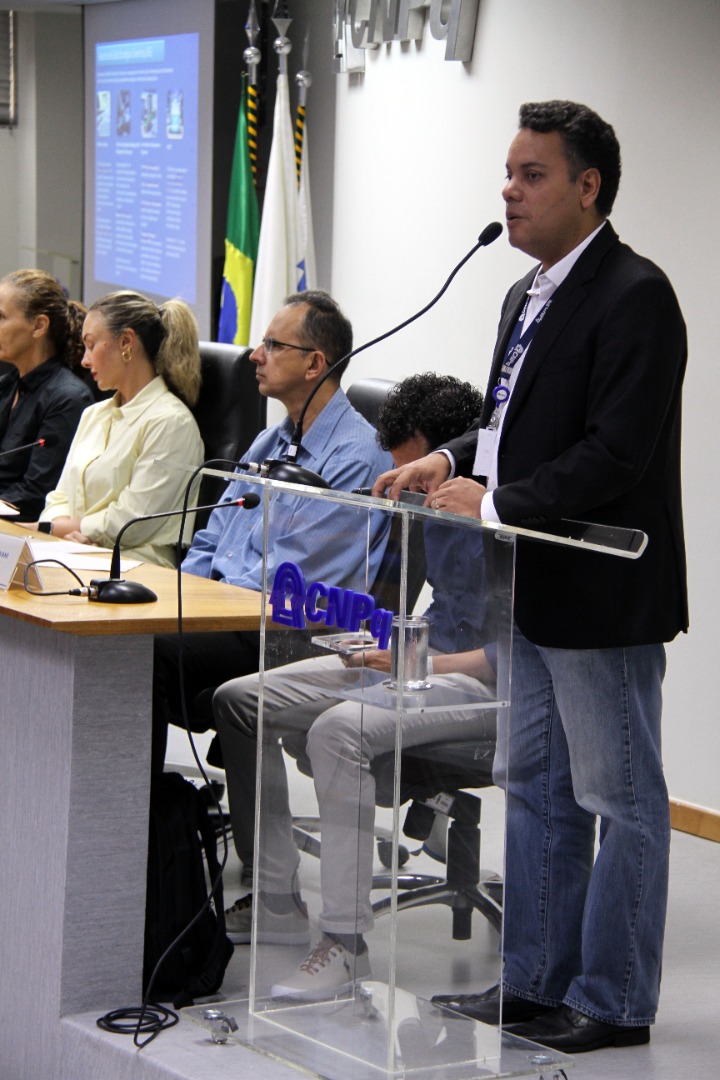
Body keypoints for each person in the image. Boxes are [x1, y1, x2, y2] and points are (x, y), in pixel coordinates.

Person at [374, 101, 688, 1053]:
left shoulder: (636, 293)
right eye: (508, 173)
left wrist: (496, 503)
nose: (508, 191)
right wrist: (450, 457)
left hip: (599, 593)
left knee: (619, 800)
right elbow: (514, 424)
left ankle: (614, 1000)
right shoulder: (526, 294)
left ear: (588, 187)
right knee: (537, 784)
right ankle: (534, 980)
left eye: (532, 175)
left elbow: (616, 452)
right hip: (528, 585)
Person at [213, 373, 498, 1000]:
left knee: (339, 729)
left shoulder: (504, 511)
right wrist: (383, 645)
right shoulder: (432, 504)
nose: (411, 491)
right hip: (427, 658)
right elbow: (435, 608)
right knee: (240, 701)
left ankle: (345, 943)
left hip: (488, 685)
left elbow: (513, 657)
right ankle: (277, 900)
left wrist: (417, 664)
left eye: (417, 475)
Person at [151, 290, 393, 773]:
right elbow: (213, 535)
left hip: (287, 630)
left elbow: (292, 577)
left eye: (273, 345)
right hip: (227, 613)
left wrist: (201, 606)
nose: (256, 356)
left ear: (314, 364)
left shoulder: (356, 456)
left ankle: (144, 814)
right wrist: (181, 594)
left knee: (146, 654)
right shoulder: (271, 440)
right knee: (122, 635)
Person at [34, 290, 204, 566]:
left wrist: (59, 530)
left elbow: (133, 521)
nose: (85, 360)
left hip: (139, 570)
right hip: (72, 553)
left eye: (91, 345)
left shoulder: (172, 422)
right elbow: (59, 497)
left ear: (126, 342)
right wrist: (61, 532)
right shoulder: (93, 414)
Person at [0, 269, 94, 520]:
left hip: (25, 531)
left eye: (1, 317)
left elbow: (36, 494)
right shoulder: (5, 386)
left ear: (39, 325)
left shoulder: (69, 398)